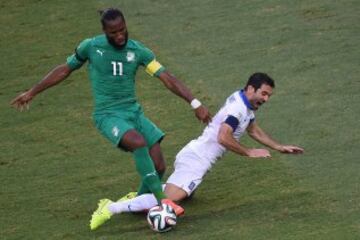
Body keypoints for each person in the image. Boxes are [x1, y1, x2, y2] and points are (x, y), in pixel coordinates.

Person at [10, 8, 211, 230]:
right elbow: (64, 70)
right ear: (104, 31)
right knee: (138, 142)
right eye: (113, 32)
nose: (120, 36)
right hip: (108, 115)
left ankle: (137, 201)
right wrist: (32, 92)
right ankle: (163, 201)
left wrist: (195, 102)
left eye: (122, 30)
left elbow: (167, 78)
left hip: (134, 113)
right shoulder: (91, 46)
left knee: (159, 165)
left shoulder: (138, 51)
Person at [90, 72, 304, 229]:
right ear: (250, 88)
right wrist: (248, 152)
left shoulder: (245, 104)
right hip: (196, 159)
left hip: (196, 155)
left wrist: (279, 147)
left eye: (269, 96)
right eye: (264, 94)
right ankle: (109, 208)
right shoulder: (238, 108)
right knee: (169, 200)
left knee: (182, 193)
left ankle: (146, 194)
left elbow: (253, 129)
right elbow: (223, 136)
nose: (265, 99)